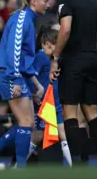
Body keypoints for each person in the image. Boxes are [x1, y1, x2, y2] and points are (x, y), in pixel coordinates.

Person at [0, 0, 49, 169]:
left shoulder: (28, 19)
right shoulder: (22, 19)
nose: (48, 4)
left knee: (28, 123)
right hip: (11, 76)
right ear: (34, 1)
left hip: (17, 75)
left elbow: (25, 58)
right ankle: (18, 166)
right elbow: (13, 52)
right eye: (45, 0)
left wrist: (35, 83)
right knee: (26, 122)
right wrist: (16, 78)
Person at [49, 0, 97, 165]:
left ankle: (78, 161)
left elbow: (65, 29)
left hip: (73, 61)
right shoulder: (92, 1)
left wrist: (55, 58)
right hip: (92, 60)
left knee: (69, 112)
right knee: (90, 112)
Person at [28, 24, 72, 166]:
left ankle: (74, 166)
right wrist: (36, 93)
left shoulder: (55, 59)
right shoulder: (40, 57)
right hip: (43, 103)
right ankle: (19, 163)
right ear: (47, 44)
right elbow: (31, 76)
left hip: (55, 102)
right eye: (55, 45)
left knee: (62, 132)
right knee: (38, 136)